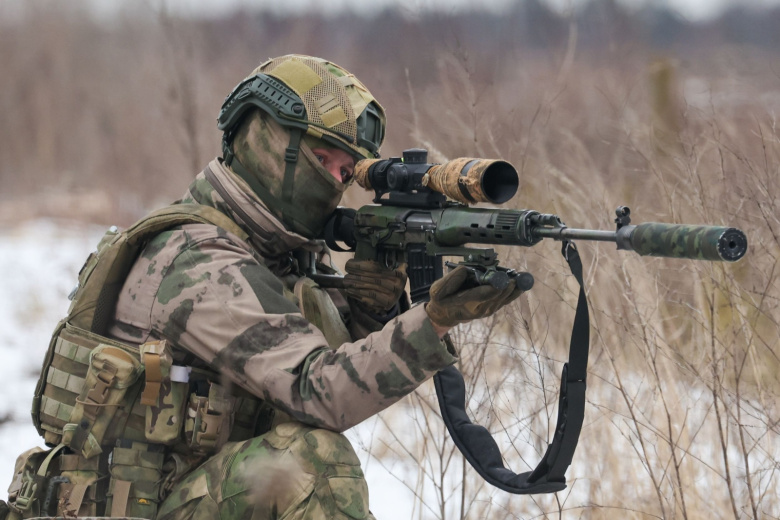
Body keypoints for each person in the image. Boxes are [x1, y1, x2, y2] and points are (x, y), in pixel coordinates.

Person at [4, 55, 525, 520]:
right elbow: (317, 394)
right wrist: (432, 322)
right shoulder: (199, 261)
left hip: (176, 496)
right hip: (129, 506)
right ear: (271, 143)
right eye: (326, 162)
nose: (338, 183)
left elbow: (318, 374)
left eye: (348, 172)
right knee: (309, 467)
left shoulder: (270, 253)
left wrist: (369, 305)